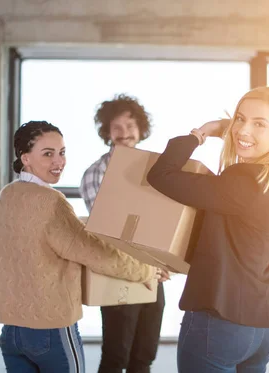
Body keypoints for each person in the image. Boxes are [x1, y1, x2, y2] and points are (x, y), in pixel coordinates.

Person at [147, 87, 269, 373]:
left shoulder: (242, 181)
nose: (244, 129)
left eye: (259, 124)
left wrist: (200, 134)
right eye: (240, 119)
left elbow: (161, 175)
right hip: (263, 325)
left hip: (220, 320)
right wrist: (235, 133)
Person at [0, 120, 161, 373]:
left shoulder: (7, 195)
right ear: (25, 158)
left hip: (12, 332)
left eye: (61, 153)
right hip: (51, 330)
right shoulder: (51, 202)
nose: (58, 162)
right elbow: (95, 253)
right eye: (48, 154)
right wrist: (147, 271)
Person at [79, 94, 166, 373]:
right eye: (116, 127)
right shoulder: (95, 173)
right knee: (117, 357)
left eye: (130, 126)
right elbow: (109, 230)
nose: (124, 133)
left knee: (144, 356)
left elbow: (165, 223)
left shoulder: (155, 170)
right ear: (107, 132)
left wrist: (162, 264)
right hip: (118, 270)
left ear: (140, 129)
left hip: (153, 272)